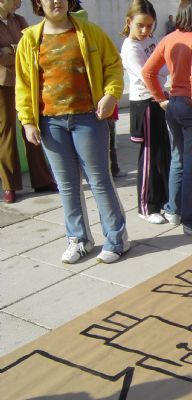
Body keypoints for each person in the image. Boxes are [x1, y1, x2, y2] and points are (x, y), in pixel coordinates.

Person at [16, 0, 130, 264]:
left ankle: (117, 238)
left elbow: (113, 65)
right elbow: (23, 84)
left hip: (89, 119)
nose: (56, 1)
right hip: (50, 123)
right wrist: (27, 121)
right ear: (38, 3)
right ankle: (79, 239)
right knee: (67, 186)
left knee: (99, 180)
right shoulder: (30, 39)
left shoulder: (90, 32)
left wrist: (111, 94)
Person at [142, 0, 192, 235]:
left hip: (175, 104)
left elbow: (148, 71)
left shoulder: (169, 38)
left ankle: (174, 210)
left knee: (179, 159)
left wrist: (161, 99)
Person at [0, 0, 56, 204]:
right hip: (3, 84)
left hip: (25, 81)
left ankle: (41, 179)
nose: (19, 2)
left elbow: (31, 46)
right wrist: (11, 51)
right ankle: (10, 185)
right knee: (6, 133)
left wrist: (10, 51)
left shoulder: (19, 20)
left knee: (32, 129)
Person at [121, 0, 170, 225]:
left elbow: (164, 66)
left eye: (150, 26)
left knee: (163, 154)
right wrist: (160, 92)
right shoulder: (131, 48)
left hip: (158, 100)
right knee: (149, 155)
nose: (145, 31)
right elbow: (148, 75)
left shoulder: (151, 39)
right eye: (140, 25)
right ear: (129, 22)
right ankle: (146, 205)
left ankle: (163, 200)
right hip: (146, 103)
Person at [71, 0, 127, 180]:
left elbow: (113, 66)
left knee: (99, 173)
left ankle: (113, 168)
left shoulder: (93, 34)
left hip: (99, 105)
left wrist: (111, 94)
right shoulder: (34, 37)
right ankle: (113, 168)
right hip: (93, 106)